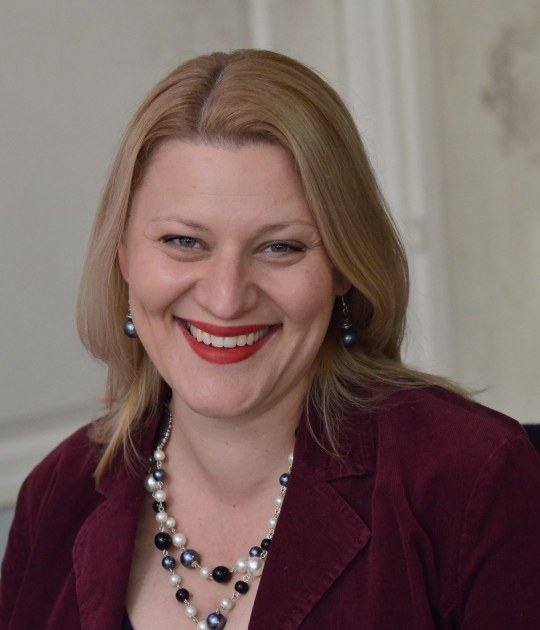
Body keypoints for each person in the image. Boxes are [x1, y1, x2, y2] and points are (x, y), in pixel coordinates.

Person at [1, 49, 539, 630]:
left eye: (280, 247)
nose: (226, 298)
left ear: (343, 266)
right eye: (184, 242)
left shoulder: (472, 481)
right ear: (124, 255)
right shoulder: (56, 495)